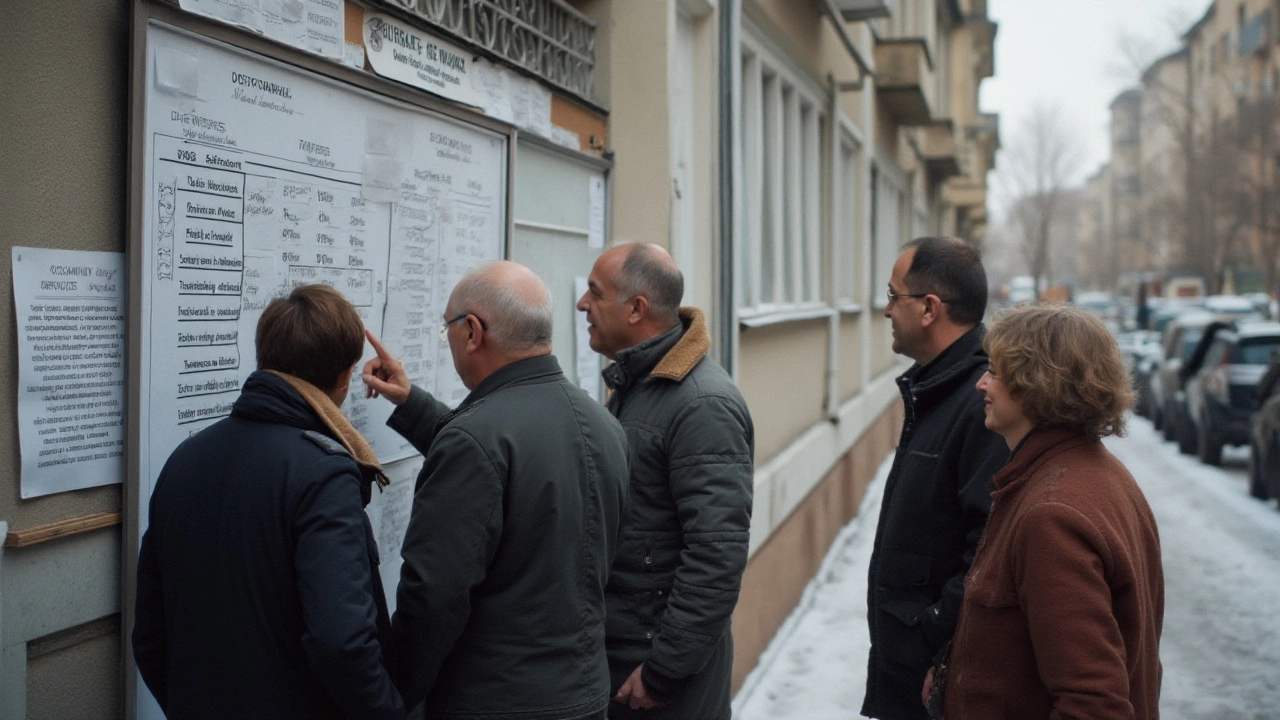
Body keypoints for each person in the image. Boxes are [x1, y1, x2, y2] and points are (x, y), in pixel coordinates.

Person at [361, 261, 629, 720]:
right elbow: (512, 467)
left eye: (447, 328)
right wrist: (413, 402)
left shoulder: (476, 440)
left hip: (496, 702)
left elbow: (433, 598)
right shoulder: (605, 425)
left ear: (472, 332)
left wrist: (393, 693)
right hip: (582, 697)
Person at [133, 284, 403, 719]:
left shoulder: (184, 460)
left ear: (265, 358)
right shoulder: (324, 473)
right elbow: (341, 643)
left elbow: (149, 637)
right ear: (344, 376)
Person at [938, 304, 1164, 719]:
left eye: (996, 372)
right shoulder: (1094, 472)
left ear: (1036, 384)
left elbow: (1093, 704)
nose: (982, 384)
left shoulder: (1053, 515)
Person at [575, 242, 754, 720]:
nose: (581, 305)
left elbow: (717, 553)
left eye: (594, 293)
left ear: (636, 309)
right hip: (629, 655)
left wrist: (665, 671)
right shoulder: (642, 384)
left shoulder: (700, 405)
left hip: (658, 678)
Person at [863, 236, 1009, 720]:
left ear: (928, 308)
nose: (885, 310)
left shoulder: (981, 402)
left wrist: (933, 638)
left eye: (892, 295)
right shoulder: (941, 386)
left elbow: (987, 549)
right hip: (913, 670)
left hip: (931, 679)